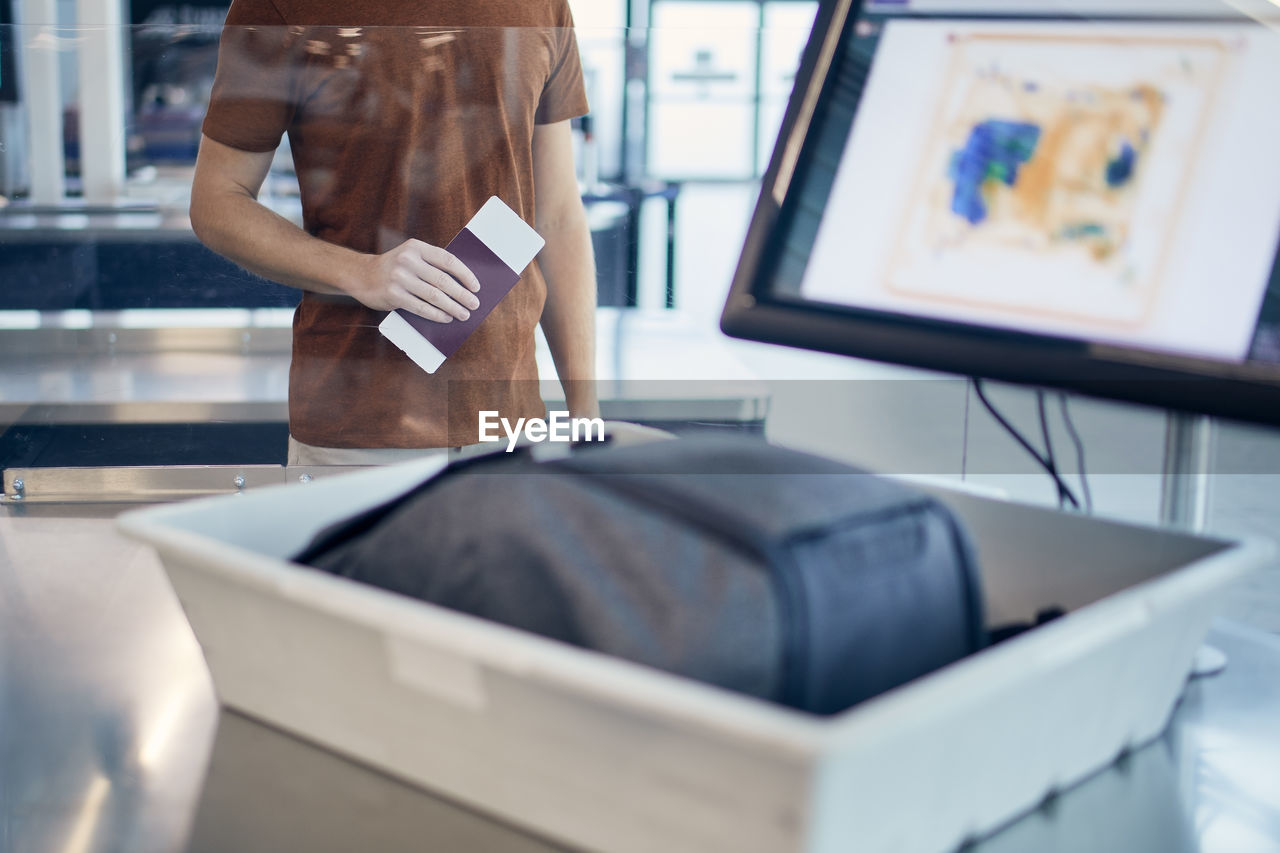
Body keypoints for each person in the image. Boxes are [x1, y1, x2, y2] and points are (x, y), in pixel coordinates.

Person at [190, 0, 599, 465]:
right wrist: (361, 272)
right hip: (358, 429)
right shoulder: (278, 5)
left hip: (511, 425)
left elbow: (557, 214)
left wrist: (584, 413)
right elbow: (217, 200)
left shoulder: (544, 5)